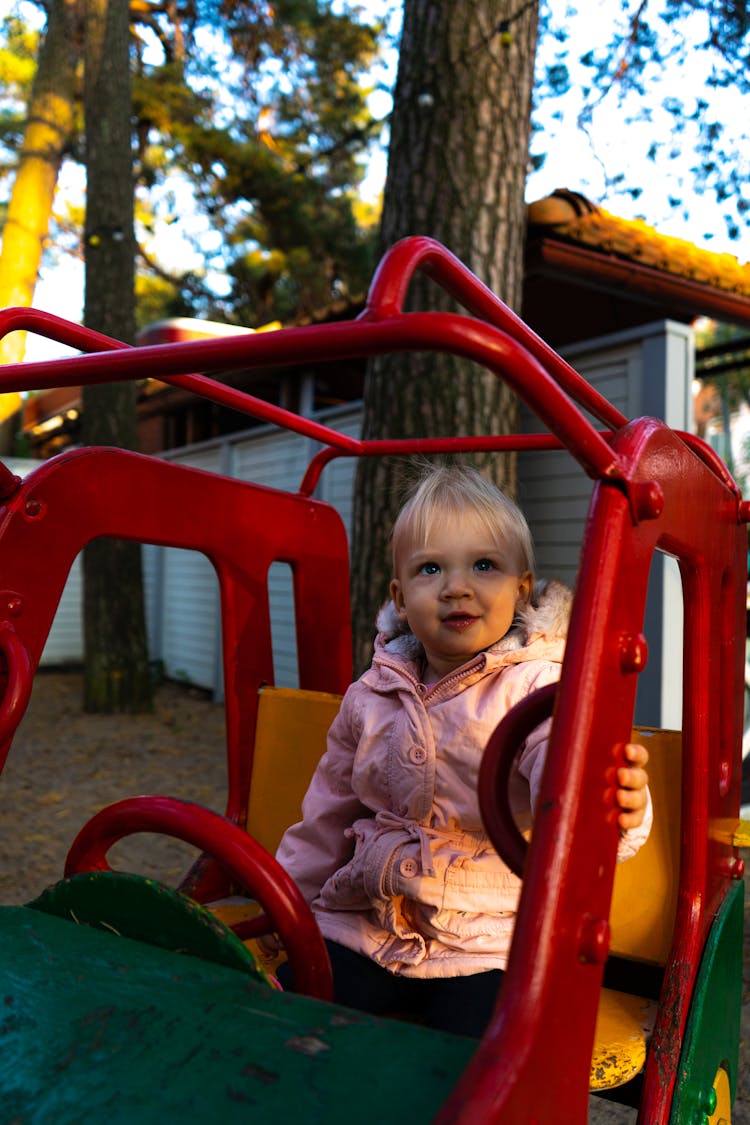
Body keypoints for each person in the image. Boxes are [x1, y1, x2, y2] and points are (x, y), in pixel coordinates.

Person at [269, 465, 652, 1037]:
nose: (456, 586)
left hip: (487, 941)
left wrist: (609, 796)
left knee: (476, 1055)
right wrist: (287, 905)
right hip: (370, 922)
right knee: (292, 1008)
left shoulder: (538, 690)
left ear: (521, 588)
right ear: (400, 599)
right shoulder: (371, 696)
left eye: (484, 566)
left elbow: (565, 772)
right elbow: (326, 814)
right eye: (430, 568)